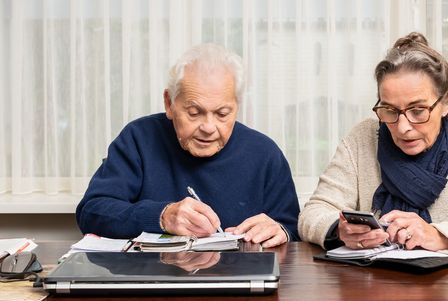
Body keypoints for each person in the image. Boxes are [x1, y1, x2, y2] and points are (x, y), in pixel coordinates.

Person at [298, 32, 448, 257]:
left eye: (418, 110)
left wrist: (440, 235)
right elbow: (313, 213)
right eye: (390, 110)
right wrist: (338, 230)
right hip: (373, 291)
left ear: (447, 101)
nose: (403, 127)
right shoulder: (363, 137)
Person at [76, 44, 299, 247]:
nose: (209, 127)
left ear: (236, 106)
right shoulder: (138, 139)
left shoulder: (265, 154)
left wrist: (280, 230)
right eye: (194, 113)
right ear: (169, 103)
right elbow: (91, 212)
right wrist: (161, 216)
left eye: (222, 113)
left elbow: (293, 230)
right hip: (153, 283)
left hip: (242, 285)